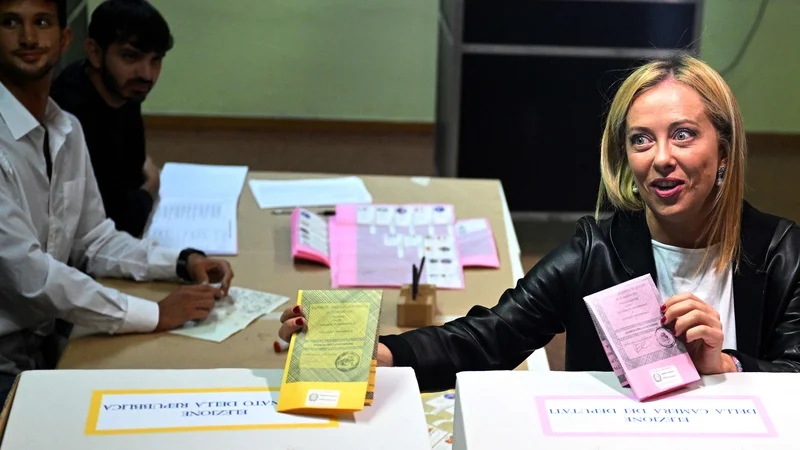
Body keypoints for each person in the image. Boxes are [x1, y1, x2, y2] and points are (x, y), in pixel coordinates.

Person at [279, 53, 800, 392]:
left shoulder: (782, 254)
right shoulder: (595, 253)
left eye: (683, 134)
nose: (660, 157)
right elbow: (490, 337)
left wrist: (725, 366)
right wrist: (379, 349)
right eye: (641, 140)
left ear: (725, 148)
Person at [0, 0, 233, 401]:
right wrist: (155, 314)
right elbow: (31, 276)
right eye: (10, 23)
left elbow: (94, 239)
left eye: (42, 22)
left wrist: (182, 261)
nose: (28, 37)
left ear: (64, 39)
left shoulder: (66, 129)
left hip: (43, 344)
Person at [50, 0, 172, 237]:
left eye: (155, 60)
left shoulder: (121, 89)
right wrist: (151, 187)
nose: (146, 74)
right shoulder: (71, 115)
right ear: (95, 53)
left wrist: (140, 190)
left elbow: (134, 169)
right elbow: (116, 223)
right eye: (130, 57)